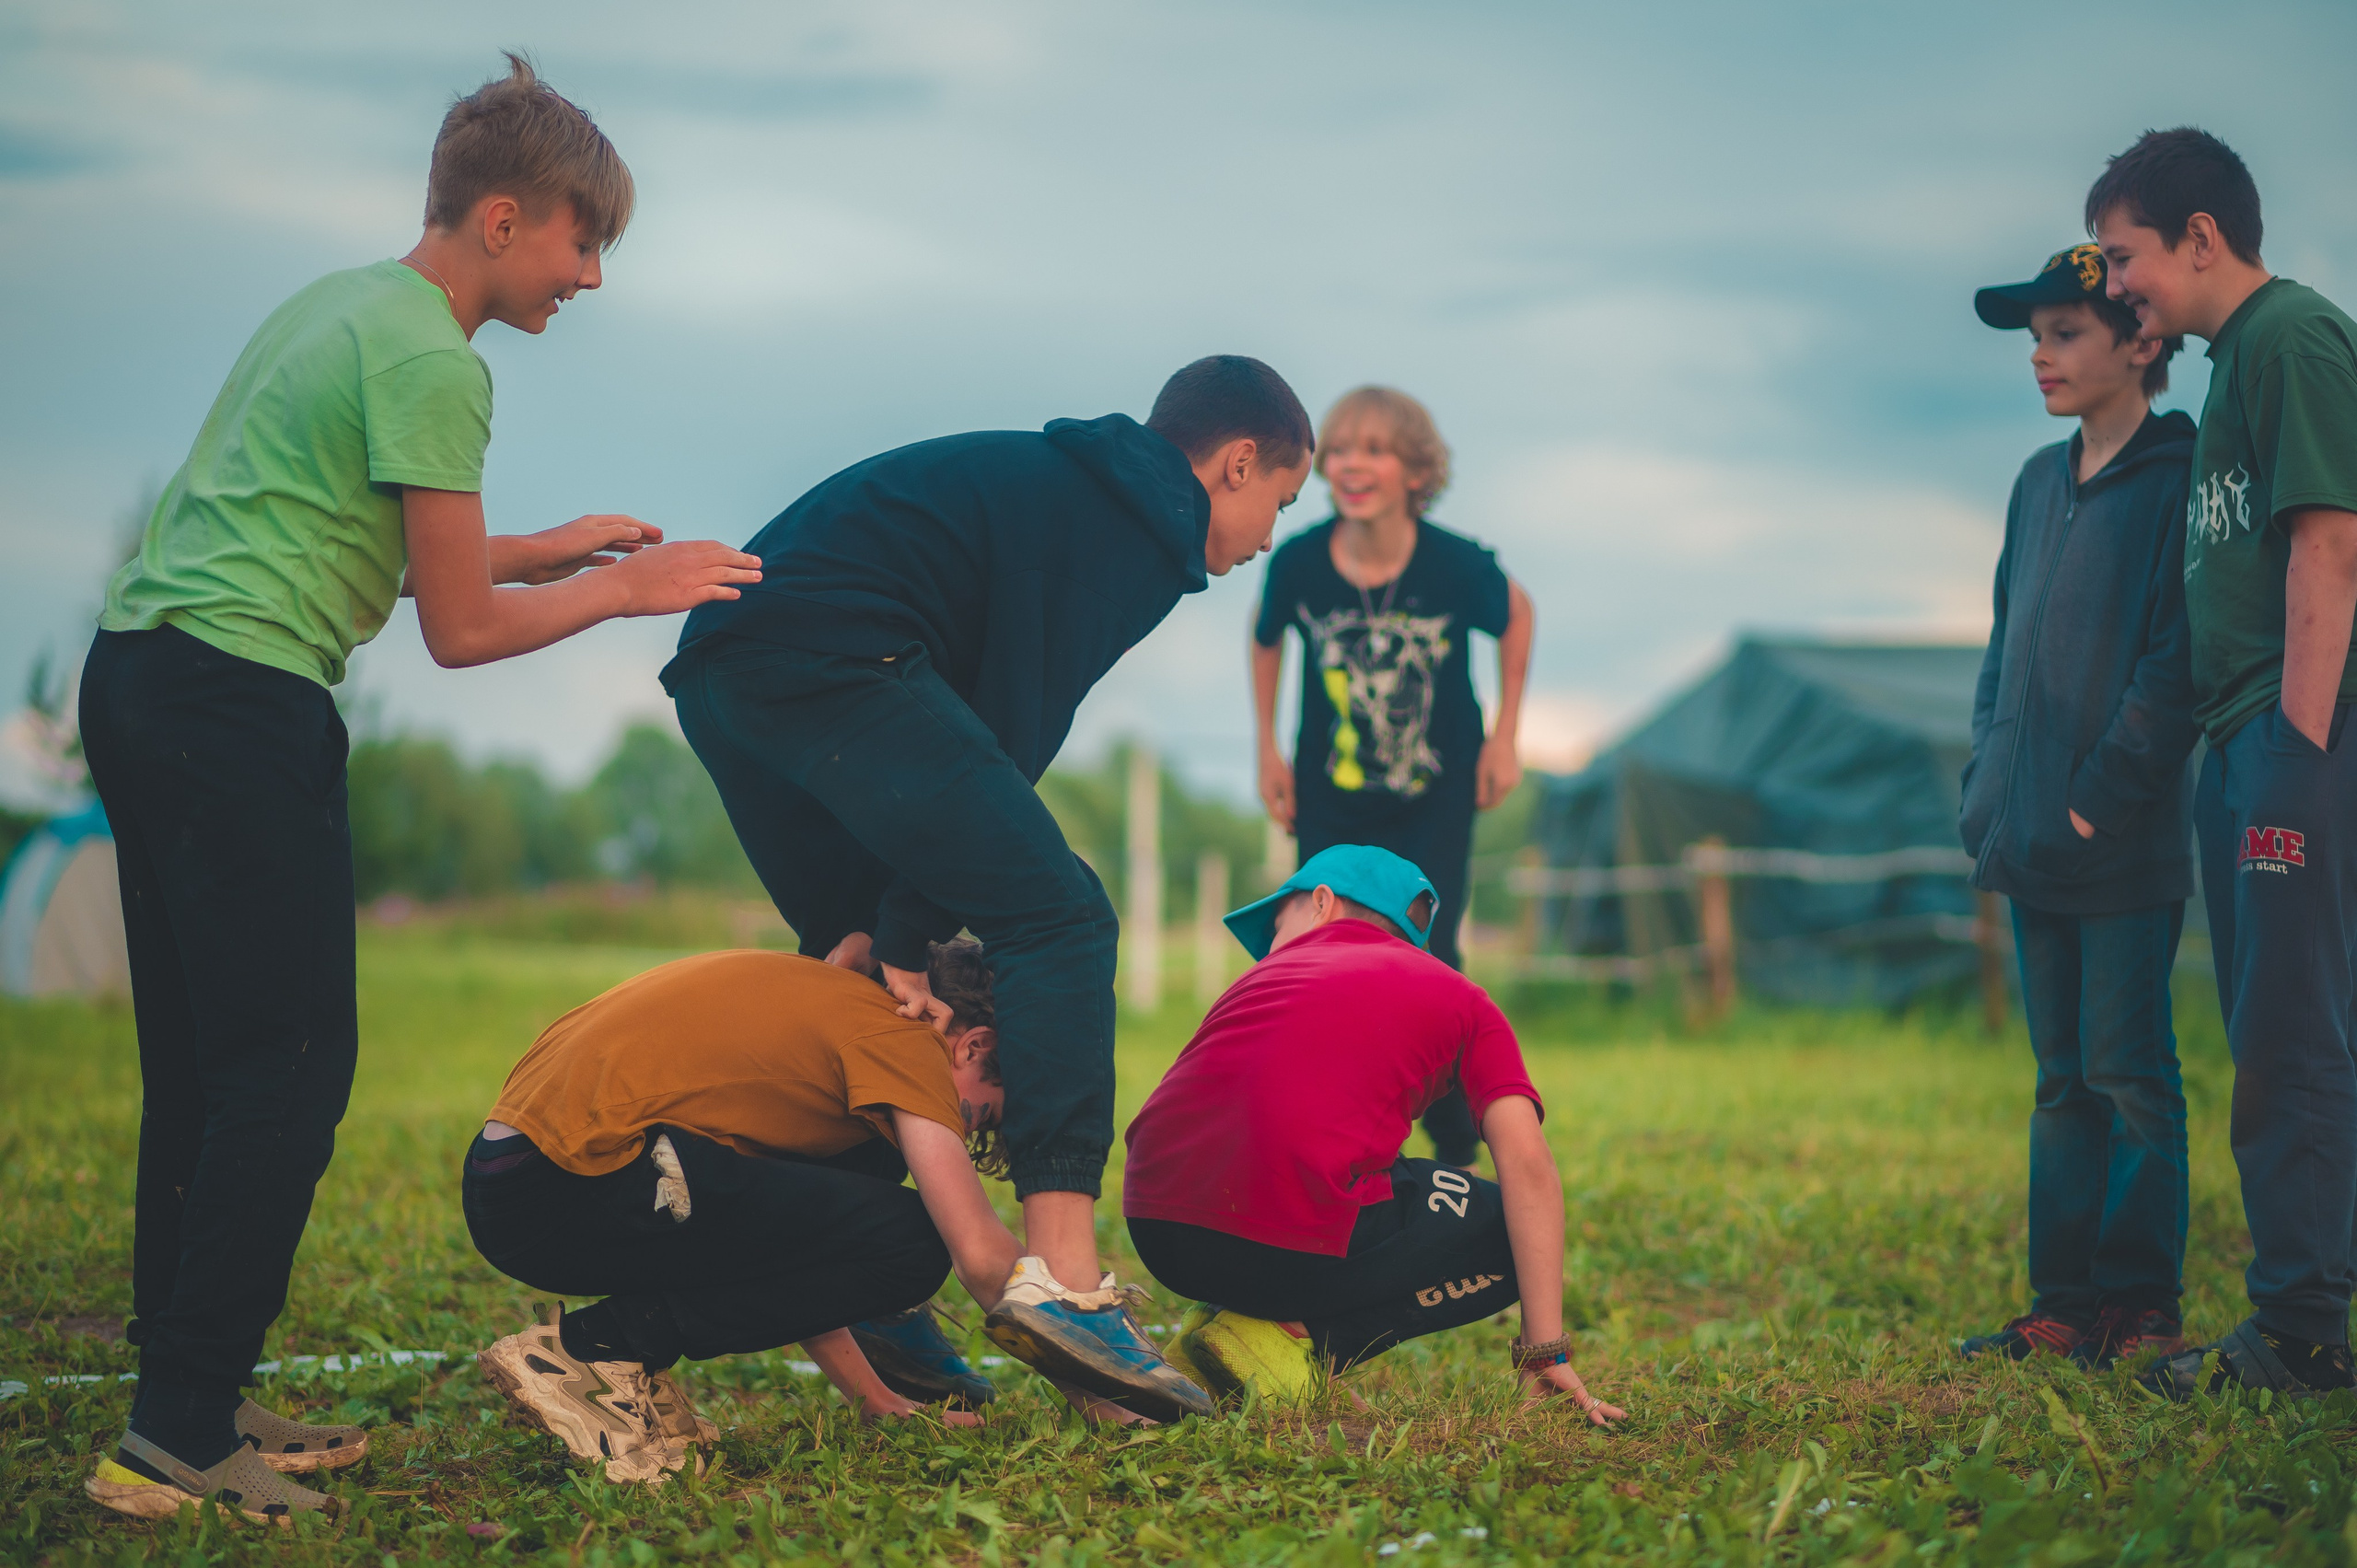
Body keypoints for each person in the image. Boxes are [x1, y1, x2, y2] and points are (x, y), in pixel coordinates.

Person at [77, 56, 761, 1523]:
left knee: (209, 1069)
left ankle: (184, 1388)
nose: (590, 275)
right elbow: (456, 633)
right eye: (583, 241)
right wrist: (628, 588)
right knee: (289, 1069)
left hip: (146, 678)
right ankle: (177, 1437)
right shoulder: (440, 359)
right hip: (236, 703)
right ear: (503, 218)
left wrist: (545, 547)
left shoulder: (345, 304)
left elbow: (369, 541)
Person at [660, 356, 1313, 1421]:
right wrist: (920, 920)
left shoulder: (1067, 486)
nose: (1268, 536)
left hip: (729, 670)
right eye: (1277, 504)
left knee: (857, 957)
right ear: (1234, 463)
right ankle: (1063, 1275)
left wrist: (897, 926)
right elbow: (1013, 728)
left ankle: (858, 1278)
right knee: (1057, 912)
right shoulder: (1136, 523)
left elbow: (963, 735)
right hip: (830, 657)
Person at [2086, 131, 2357, 1400]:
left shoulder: (2294, 336)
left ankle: (2302, 1332)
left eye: (2128, 255)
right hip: (2241, 732)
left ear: (2203, 238)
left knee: (2292, 1032)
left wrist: (2298, 761)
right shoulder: (2233, 357)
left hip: (2291, 737)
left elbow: (2328, 546)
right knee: (2272, 1025)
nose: (2116, 282)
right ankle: (2308, 1309)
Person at [468, 941, 1044, 1482]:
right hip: (568, 1180)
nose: (963, 1131)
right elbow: (978, 1252)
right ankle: (595, 1349)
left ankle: (619, 1350)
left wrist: (875, 1403)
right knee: (915, 1241)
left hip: (523, 1183)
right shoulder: (907, 1038)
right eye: (981, 1116)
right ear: (974, 1046)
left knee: (880, 1211)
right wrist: (1104, 1384)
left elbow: (801, 1249)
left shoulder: (845, 1013)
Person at [1121, 846, 1622, 1423]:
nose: (1269, 946)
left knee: (1328, 1180)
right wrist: (1544, 1352)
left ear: (1322, 903)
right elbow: (1527, 1162)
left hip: (1157, 1230)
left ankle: (1213, 1335)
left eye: (1275, 925)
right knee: (1513, 1225)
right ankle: (1291, 1337)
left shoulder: (1258, 982)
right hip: (1279, 1240)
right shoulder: (1462, 998)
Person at [1955, 244, 2198, 1370]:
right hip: (2025, 831)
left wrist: (2098, 796)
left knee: (2129, 1074)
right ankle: (2062, 1303)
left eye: (2065, 333)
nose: (2041, 356)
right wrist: (1987, 781)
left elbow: (2175, 658)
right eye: (2034, 336)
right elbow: (2004, 649)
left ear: (2140, 343)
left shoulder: (2181, 478)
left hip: (2121, 841)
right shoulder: (2034, 481)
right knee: (2060, 1081)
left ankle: (2139, 1305)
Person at [1249, 388, 1534, 1170]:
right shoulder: (1302, 560)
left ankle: (1454, 1146)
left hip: (1434, 796)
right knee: (1322, 951)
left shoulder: (1456, 564)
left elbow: (1519, 616)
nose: (1351, 465)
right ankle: (1337, 1136)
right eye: (1338, 450)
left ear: (1415, 470)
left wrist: (1505, 736)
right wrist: (1267, 749)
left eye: (1373, 449)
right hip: (1331, 793)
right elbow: (1267, 636)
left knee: (1428, 953)